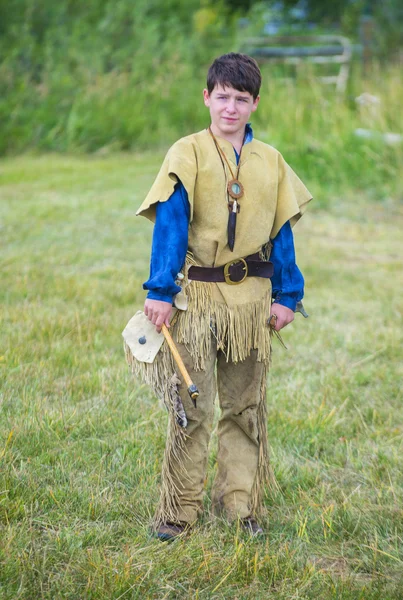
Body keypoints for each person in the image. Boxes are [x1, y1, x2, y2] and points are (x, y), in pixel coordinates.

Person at [133, 53, 312, 541]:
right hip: (198, 299)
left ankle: (239, 503)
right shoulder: (186, 152)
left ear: (254, 103)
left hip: (253, 301)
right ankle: (180, 509)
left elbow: (282, 235)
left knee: (245, 406)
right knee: (191, 405)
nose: (230, 107)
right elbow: (169, 227)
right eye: (222, 96)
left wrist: (287, 295)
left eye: (241, 99)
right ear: (207, 96)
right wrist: (161, 289)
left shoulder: (271, 161)